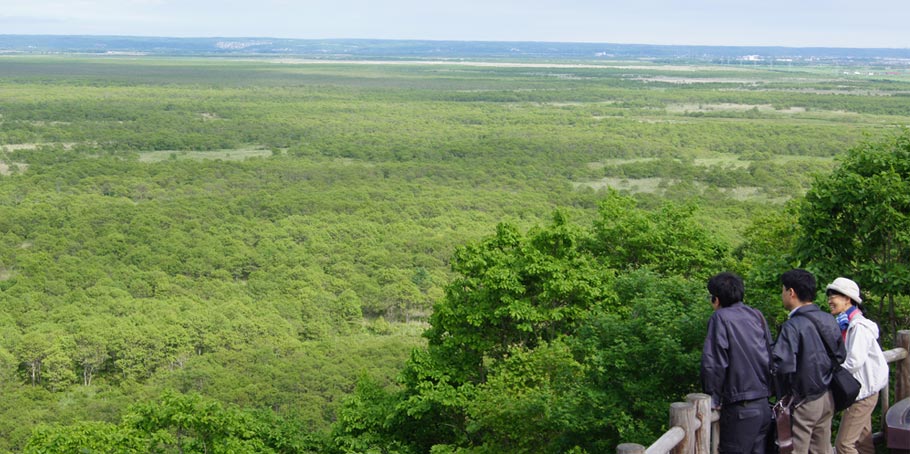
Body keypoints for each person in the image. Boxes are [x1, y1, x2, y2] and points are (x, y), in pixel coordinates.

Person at [771, 269, 845, 454]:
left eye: (783, 290)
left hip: (803, 400)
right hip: (827, 396)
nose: (782, 295)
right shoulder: (828, 318)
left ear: (791, 292)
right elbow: (840, 355)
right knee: (822, 449)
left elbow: (783, 366)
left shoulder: (792, 326)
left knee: (797, 449)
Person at [701, 272, 773, 454]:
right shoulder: (757, 315)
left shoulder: (721, 318)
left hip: (740, 408)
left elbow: (714, 362)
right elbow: (771, 354)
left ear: (716, 299)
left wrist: (713, 398)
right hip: (763, 405)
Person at [825, 277, 889, 454]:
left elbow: (854, 361)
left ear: (848, 298)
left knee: (844, 445)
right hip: (862, 390)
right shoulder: (847, 324)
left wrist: (829, 373)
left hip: (863, 393)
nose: (830, 300)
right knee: (863, 442)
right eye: (829, 296)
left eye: (834, 295)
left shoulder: (858, 327)